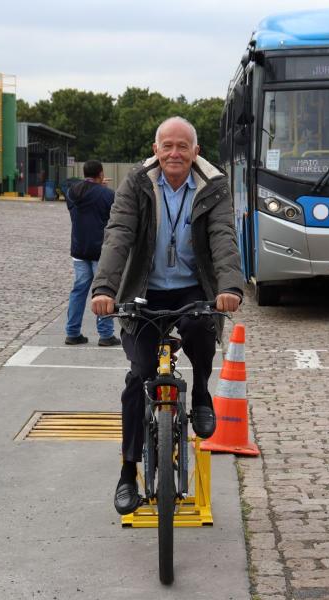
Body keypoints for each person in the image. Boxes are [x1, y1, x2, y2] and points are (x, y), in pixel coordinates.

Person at [91, 116, 243, 515]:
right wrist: (105, 289)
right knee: (138, 376)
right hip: (145, 288)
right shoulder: (137, 183)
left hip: (192, 287)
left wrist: (229, 287)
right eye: (167, 146)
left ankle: (203, 394)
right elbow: (119, 234)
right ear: (156, 149)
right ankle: (128, 472)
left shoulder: (213, 185)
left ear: (196, 151)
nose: (175, 153)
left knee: (200, 329)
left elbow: (223, 237)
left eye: (183, 146)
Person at [64, 160, 121, 347]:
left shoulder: (72, 192)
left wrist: (96, 185)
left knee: (78, 291)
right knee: (103, 291)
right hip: (101, 251)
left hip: (79, 249)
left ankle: (72, 332)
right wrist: (101, 187)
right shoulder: (107, 194)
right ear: (101, 174)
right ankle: (105, 334)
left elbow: (84, 194)